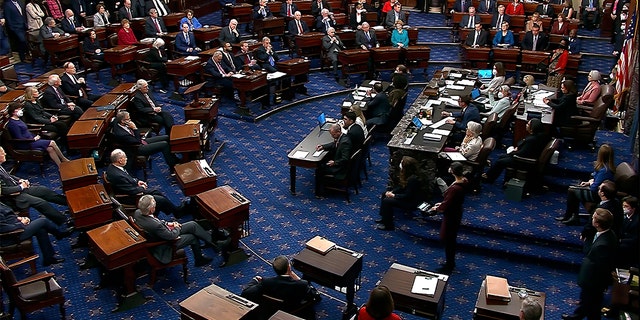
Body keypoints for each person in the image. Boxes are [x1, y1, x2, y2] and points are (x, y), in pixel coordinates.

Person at [134, 195, 222, 267]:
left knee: (192, 225)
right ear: (151, 209)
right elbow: (171, 236)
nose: (156, 205)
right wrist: (176, 227)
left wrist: (168, 224)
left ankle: (212, 242)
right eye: (155, 204)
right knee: (192, 238)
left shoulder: (138, 212)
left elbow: (155, 221)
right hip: (164, 245)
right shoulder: (156, 226)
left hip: (161, 233)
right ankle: (199, 260)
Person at [561, 208, 617, 320]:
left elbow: (600, 267)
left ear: (597, 223)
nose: (591, 218)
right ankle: (576, 316)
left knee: (592, 306)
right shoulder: (607, 233)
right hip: (592, 280)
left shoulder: (603, 245)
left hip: (594, 281)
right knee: (588, 303)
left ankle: (577, 317)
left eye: (593, 217)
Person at [0, 147, 69, 226]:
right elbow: (4, 190)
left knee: (43, 190)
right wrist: (21, 187)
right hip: (13, 197)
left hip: (19, 189)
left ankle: (69, 204)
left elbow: (8, 176)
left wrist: (20, 180)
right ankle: (64, 221)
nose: (5, 154)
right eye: (2, 153)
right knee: (42, 203)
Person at [107, 149, 185, 216]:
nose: (126, 159)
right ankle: (176, 212)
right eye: (125, 158)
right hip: (132, 197)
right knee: (160, 200)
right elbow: (130, 190)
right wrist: (141, 188)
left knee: (156, 191)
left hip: (131, 189)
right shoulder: (117, 175)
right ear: (120, 160)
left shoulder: (113, 167)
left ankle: (173, 210)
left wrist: (137, 181)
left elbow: (127, 179)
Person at [557, 144, 615, 225]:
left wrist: (591, 183)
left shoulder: (605, 171)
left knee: (571, 191)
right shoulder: (603, 167)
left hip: (597, 194)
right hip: (596, 190)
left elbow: (594, 188)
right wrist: (588, 182)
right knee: (575, 188)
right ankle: (570, 216)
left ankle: (571, 217)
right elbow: (595, 179)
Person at [0, 202, 71, 266]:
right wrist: (21, 224)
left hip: (16, 227)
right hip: (11, 236)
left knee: (41, 230)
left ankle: (48, 258)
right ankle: (59, 235)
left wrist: (19, 218)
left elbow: (8, 215)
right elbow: (3, 228)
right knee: (43, 221)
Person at [429, 162, 469, 274]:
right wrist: (442, 204)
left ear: (452, 171)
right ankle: (450, 263)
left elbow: (447, 203)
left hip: (451, 215)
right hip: (456, 211)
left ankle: (449, 265)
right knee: (450, 239)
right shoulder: (464, 180)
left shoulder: (454, 188)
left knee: (448, 239)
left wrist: (437, 208)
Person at [482, 118, 549, 183]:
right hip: (526, 157)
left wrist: (512, 152)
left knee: (500, 162)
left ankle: (489, 178)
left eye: (528, 124)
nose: (526, 125)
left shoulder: (531, 140)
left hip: (524, 161)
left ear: (532, 128)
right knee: (502, 157)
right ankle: (490, 176)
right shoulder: (540, 136)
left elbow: (521, 154)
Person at [241, 255, 321, 308]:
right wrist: (296, 277)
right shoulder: (301, 284)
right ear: (289, 267)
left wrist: (255, 280)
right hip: (293, 309)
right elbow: (316, 296)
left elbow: (245, 293)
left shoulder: (266, 282)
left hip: (270, 310)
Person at [112, 111, 178, 170]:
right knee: (164, 144)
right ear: (123, 121)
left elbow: (114, 119)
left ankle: (174, 158)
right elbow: (137, 141)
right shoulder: (122, 134)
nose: (130, 121)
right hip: (137, 148)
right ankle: (173, 166)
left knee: (167, 137)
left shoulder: (118, 122)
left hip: (140, 141)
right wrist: (135, 128)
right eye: (128, 119)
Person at [376, 156, 422, 231]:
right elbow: (401, 187)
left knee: (387, 201)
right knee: (385, 194)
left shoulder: (413, 179)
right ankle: (384, 218)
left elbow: (408, 196)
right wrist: (392, 192)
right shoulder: (408, 175)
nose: (400, 164)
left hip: (411, 202)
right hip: (406, 197)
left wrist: (394, 196)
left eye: (401, 163)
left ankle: (388, 225)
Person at [315, 124, 352, 193]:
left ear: (338, 132)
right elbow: (334, 144)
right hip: (338, 161)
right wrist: (323, 147)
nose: (332, 136)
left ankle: (319, 192)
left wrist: (335, 162)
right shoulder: (341, 137)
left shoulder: (345, 142)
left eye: (333, 135)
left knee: (319, 169)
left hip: (341, 168)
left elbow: (345, 159)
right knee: (323, 161)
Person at [618, 196, 639, 268]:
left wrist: (620, 240)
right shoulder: (622, 216)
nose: (624, 208)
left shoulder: (637, 220)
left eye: (626, 206)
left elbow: (635, 239)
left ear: (633, 208)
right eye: (623, 206)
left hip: (631, 245)